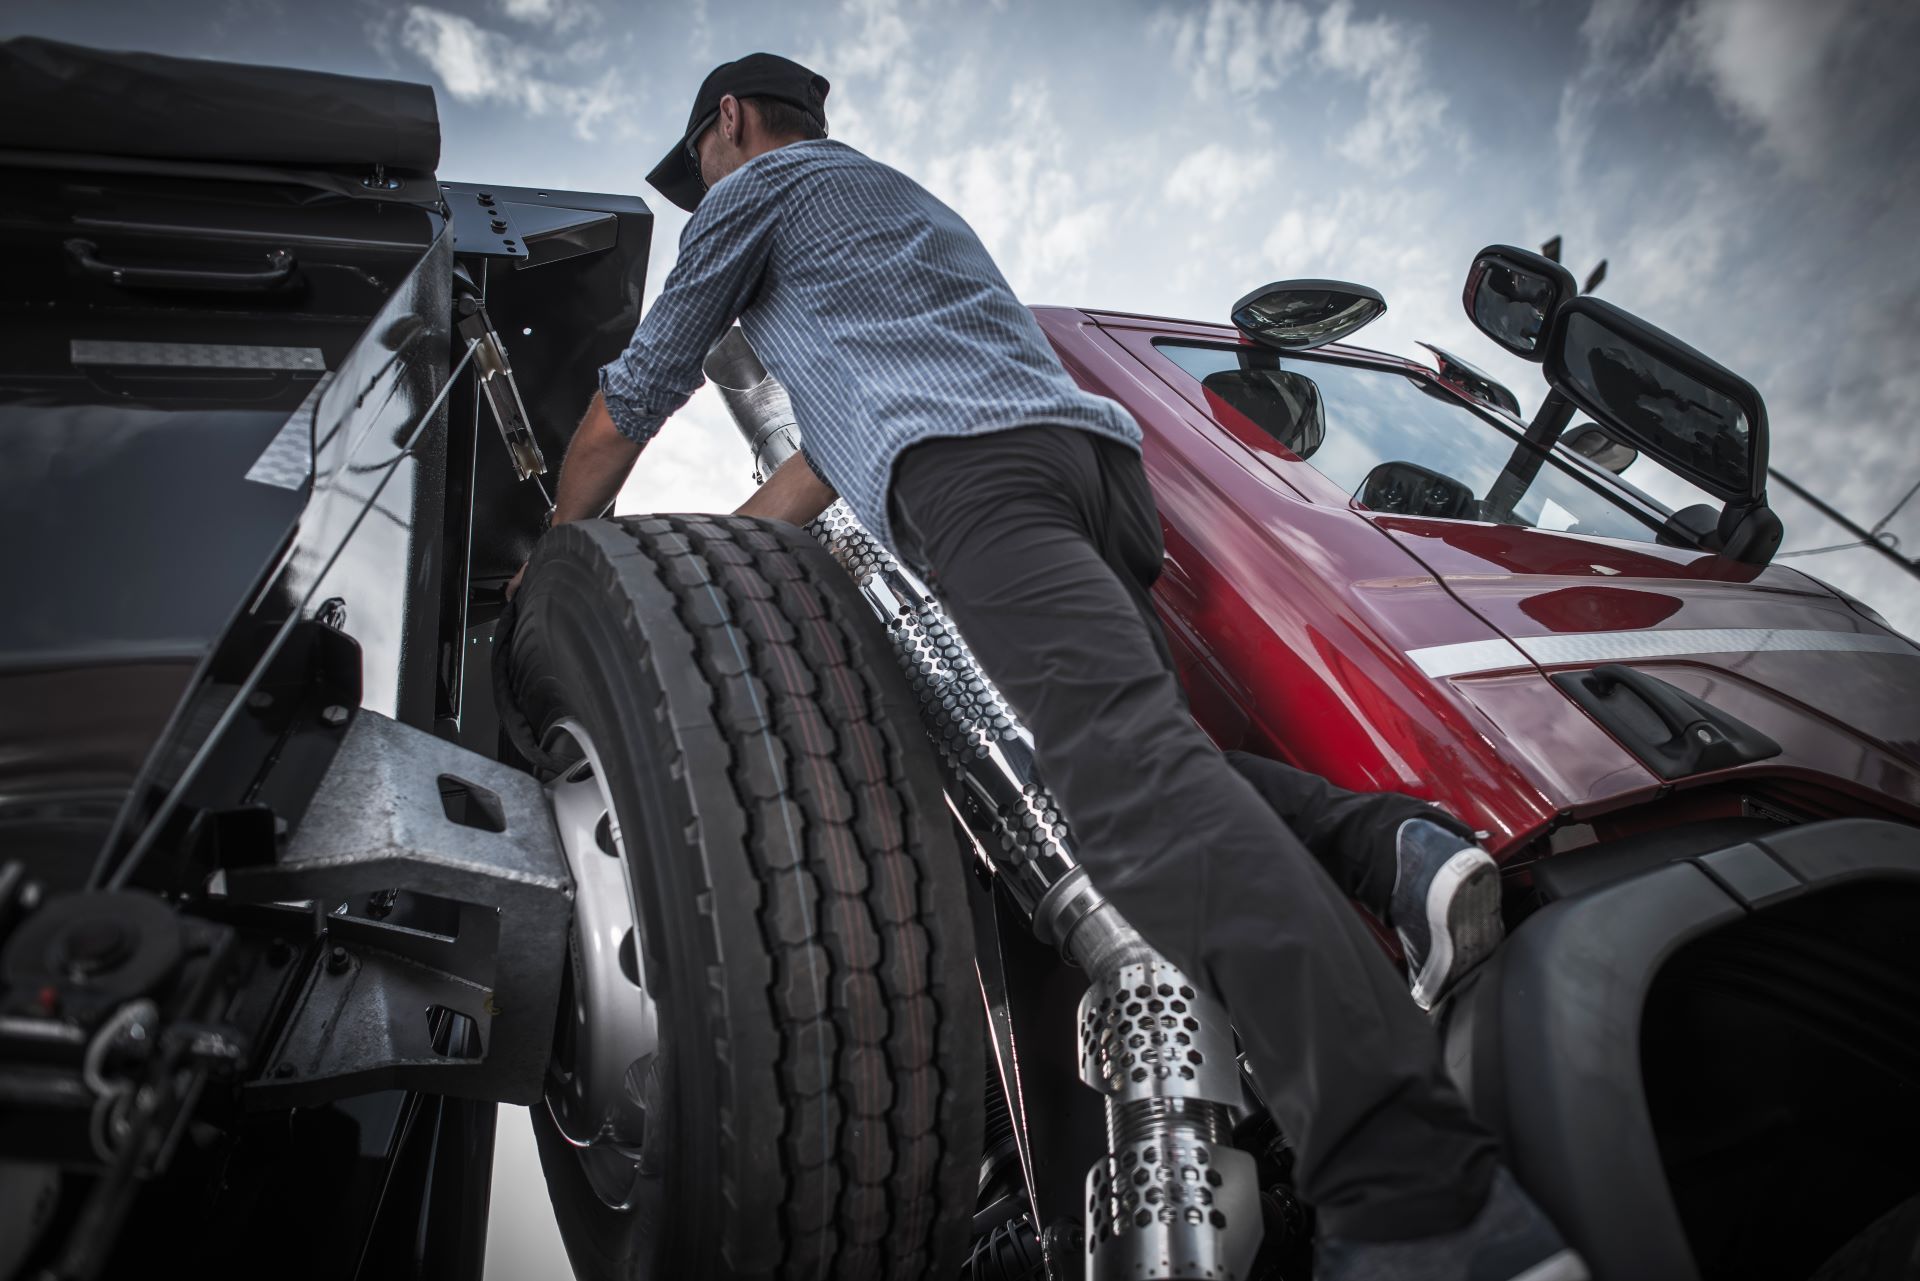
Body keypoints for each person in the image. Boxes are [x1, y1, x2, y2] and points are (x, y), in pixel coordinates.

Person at [509, 52, 1586, 1281]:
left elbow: (628, 401)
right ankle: (1390, 848)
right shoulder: (894, 211)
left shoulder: (758, 194)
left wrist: (555, 579)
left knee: (1130, 805)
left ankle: (1427, 1206)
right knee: (1142, 771)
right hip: (1089, 478)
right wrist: (702, 578)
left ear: (731, 122)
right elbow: (809, 482)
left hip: (977, 483)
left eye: (697, 163)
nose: (699, 190)